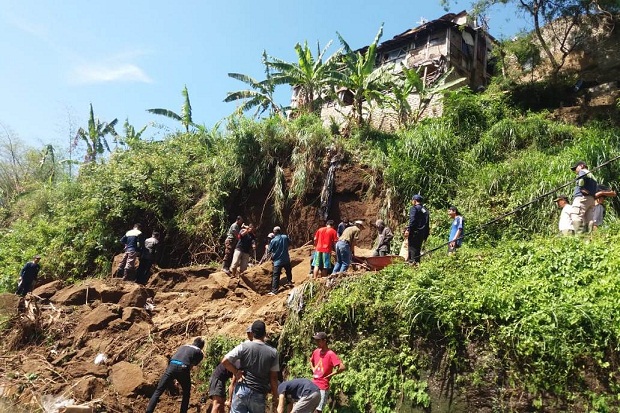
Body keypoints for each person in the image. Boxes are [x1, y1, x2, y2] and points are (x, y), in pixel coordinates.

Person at [222, 320, 279, 413]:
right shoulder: (273, 352)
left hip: (242, 390)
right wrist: (276, 397)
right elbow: (273, 378)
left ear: (252, 333)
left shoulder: (244, 346)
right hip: (258, 393)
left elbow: (225, 361)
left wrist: (236, 372)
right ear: (265, 333)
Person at [146, 337, 205, 413]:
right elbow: (191, 365)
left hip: (171, 366)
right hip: (183, 368)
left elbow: (176, 358)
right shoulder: (199, 352)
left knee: (158, 391)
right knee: (186, 392)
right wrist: (181, 377)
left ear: (194, 342)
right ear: (201, 346)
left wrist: (176, 377)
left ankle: (148, 411)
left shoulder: (183, 346)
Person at [309, 332, 345, 413]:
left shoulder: (330, 354)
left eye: (318, 341)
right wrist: (313, 369)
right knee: (311, 408)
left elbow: (342, 367)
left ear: (324, 341)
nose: (317, 343)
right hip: (313, 384)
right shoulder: (316, 351)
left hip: (323, 386)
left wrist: (331, 374)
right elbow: (310, 360)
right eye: (316, 340)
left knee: (318, 410)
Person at [570, 161, 597, 233]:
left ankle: (579, 238)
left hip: (582, 197)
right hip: (591, 199)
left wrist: (581, 188)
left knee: (576, 215)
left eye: (576, 168)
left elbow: (581, 179)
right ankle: (588, 239)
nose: (575, 171)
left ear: (581, 166)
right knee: (588, 219)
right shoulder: (592, 176)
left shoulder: (583, 171)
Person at [268, 226, 293, 296]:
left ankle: (274, 291)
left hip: (277, 261)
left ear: (274, 232)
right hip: (286, 258)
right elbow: (290, 243)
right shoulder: (285, 237)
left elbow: (269, 250)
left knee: (276, 275)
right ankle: (289, 282)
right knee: (288, 270)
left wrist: (267, 247)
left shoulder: (273, 240)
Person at [405, 195, 430, 264]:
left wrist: (408, 230)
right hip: (422, 233)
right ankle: (417, 265)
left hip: (414, 233)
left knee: (412, 249)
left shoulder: (414, 209)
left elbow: (412, 221)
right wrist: (426, 234)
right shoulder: (425, 210)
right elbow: (427, 223)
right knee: (417, 250)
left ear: (415, 201)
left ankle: (413, 265)